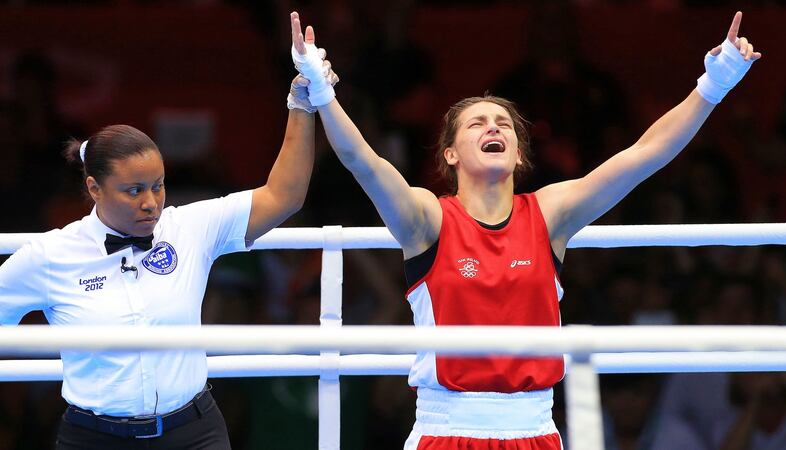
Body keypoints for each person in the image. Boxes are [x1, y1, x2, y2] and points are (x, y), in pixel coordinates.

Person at [290, 10, 760, 450]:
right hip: (445, 431)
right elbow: (366, 165)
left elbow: (643, 155)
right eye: (477, 123)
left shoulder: (550, 213)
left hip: (536, 431)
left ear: (518, 153)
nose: (493, 127)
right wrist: (324, 94)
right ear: (450, 154)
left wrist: (713, 86)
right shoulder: (428, 218)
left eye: (504, 124)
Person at [0, 26, 337, 448]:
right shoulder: (50, 255)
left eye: (158, 186)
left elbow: (283, 196)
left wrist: (300, 102)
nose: (150, 203)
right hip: (93, 438)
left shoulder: (189, 227)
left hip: (193, 433)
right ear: (93, 189)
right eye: (134, 191)